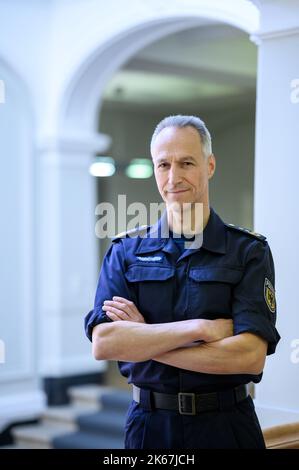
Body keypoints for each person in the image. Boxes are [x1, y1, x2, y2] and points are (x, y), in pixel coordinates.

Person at [84, 115, 280, 449]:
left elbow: (249, 356)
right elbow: (105, 343)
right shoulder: (125, 251)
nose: (173, 177)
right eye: (163, 165)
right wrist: (201, 330)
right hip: (149, 429)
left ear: (210, 165)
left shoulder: (248, 251)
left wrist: (143, 340)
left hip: (227, 426)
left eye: (186, 163)